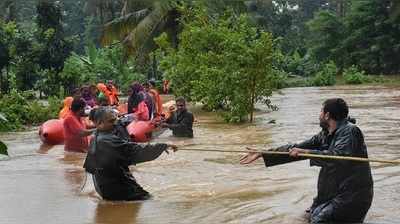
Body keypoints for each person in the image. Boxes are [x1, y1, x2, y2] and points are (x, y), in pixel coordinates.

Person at [240, 98, 373, 224]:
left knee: (319, 221)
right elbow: (297, 148)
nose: (319, 115)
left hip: (352, 196)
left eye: (321, 111)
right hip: (331, 194)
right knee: (305, 218)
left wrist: (307, 153)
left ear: (327, 115)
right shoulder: (325, 134)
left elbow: (338, 158)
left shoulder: (350, 131)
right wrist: (264, 153)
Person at [83, 107, 178, 201]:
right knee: (149, 201)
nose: (116, 123)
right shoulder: (107, 140)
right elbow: (134, 150)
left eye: (116, 119)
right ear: (99, 123)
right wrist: (162, 146)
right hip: (118, 188)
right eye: (111, 121)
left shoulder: (95, 136)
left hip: (104, 187)